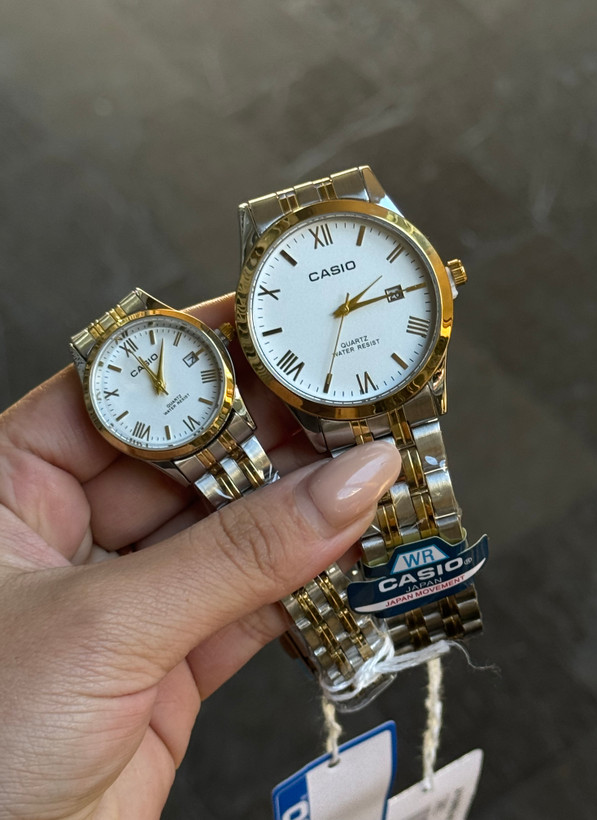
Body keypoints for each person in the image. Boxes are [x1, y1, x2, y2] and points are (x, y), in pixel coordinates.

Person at [0, 292, 401, 819]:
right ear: (106, 421)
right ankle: (340, 640)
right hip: (181, 446)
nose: (159, 385)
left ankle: (343, 640)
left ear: (213, 348)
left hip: (209, 424)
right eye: (148, 384)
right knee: (258, 525)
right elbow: (249, 543)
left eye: (167, 370)